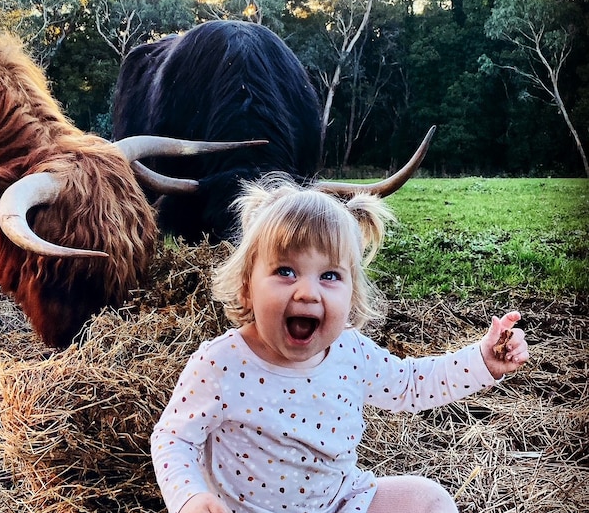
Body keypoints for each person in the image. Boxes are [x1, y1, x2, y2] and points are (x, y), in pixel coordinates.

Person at [150, 173, 529, 513]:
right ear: (247, 285)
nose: (307, 292)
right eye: (285, 271)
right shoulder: (221, 364)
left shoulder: (352, 353)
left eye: (330, 275)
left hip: (341, 502)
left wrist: (483, 360)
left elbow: (413, 384)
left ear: (352, 295)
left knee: (429, 500)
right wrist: (190, 496)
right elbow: (173, 439)